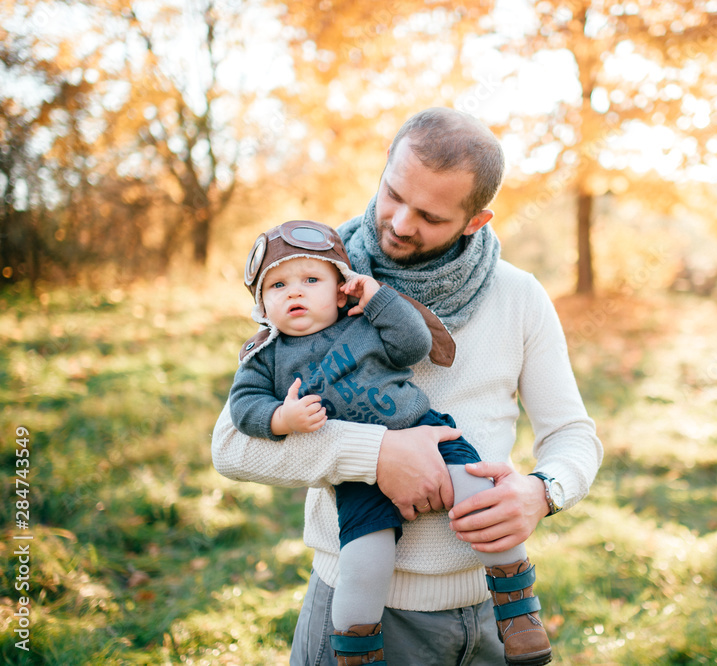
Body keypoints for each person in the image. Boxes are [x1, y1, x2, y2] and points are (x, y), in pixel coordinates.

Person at [212, 107, 603, 666]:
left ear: (475, 220)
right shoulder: (311, 278)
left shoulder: (518, 296)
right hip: (359, 609)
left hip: (491, 618)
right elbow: (231, 445)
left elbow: (572, 434)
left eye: (430, 216)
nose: (398, 223)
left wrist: (543, 493)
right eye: (393, 194)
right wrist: (375, 454)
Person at [227, 219, 552, 665]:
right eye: (277, 285)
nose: (294, 292)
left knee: (483, 496)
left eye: (311, 280)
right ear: (261, 304)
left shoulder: (361, 324)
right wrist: (281, 418)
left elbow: (414, 344)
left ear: (340, 290)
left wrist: (378, 299)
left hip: (425, 429)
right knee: (364, 561)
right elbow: (244, 406)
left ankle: (518, 612)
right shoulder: (267, 355)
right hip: (357, 477)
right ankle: (358, 650)